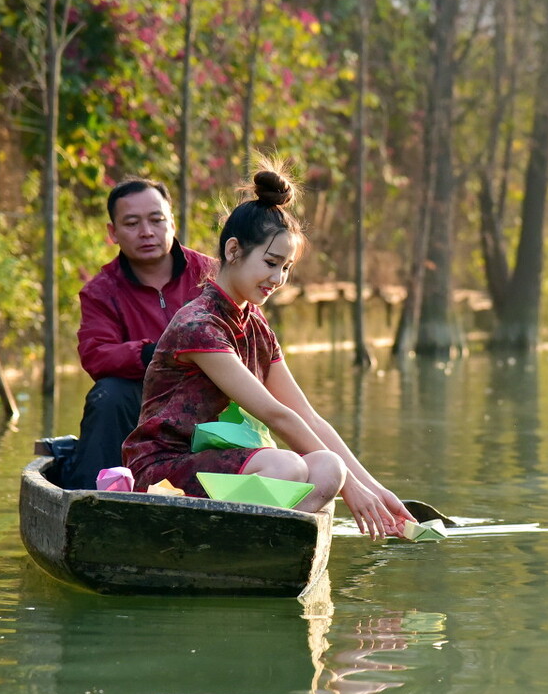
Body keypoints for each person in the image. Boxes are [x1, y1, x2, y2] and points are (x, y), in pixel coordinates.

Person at [122, 164, 414, 539]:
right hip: (164, 469)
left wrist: (375, 489)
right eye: (271, 263)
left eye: (287, 268)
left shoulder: (255, 326)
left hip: (220, 465)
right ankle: (247, 543)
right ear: (233, 251)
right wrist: (352, 493)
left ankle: (270, 545)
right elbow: (277, 415)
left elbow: (305, 414)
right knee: (287, 467)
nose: (278, 279)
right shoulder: (198, 326)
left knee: (328, 466)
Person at [55, 177, 219, 490]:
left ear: (172, 222)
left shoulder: (213, 276)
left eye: (156, 220)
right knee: (108, 394)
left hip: (210, 396)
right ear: (113, 233)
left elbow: (249, 337)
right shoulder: (101, 291)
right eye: (131, 223)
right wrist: (154, 354)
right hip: (141, 399)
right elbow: (95, 354)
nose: (146, 232)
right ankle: (88, 499)